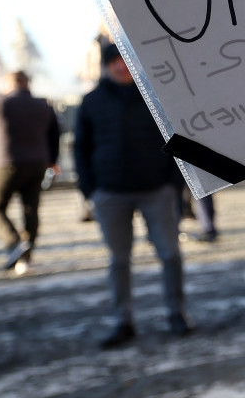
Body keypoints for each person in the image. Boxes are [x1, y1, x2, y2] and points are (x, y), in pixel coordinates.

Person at [75, 43, 193, 349]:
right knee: (119, 260)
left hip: (156, 190)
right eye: (114, 62)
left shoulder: (156, 98)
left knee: (170, 254)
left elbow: (176, 138)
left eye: (124, 61)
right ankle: (122, 320)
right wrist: (91, 189)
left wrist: (172, 182)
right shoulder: (91, 101)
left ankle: (176, 313)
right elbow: (81, 148)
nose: (120, 67)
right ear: (107, 66)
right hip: (111, 193)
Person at [0, 71, 61, 275]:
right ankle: (26, 257)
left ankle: (14, 244)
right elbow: (55, 134)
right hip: (38, 163)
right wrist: (52, 161)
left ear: (7, 85)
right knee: (31, 209)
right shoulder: (44, 104)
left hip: (6, 163)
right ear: (27, 84)